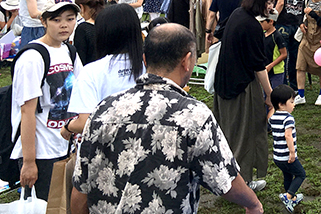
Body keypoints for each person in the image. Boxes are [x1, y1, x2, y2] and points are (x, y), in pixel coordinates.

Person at [71, 23, 263, 214]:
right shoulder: (193, 115)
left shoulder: (104, 108)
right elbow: (224, 178)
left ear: (144, 60)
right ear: (187, 61)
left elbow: (81, 188)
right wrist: (253, 204)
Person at [12, 0, 83, 201]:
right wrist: (29, 162)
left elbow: (79, 95)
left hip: (67, 147)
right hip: (42, 152)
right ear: (43, 22)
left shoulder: (69, 51)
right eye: (56, 19)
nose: (64, 25)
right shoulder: (33, 57)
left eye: (70, 19)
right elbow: (26, 111)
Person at [214, 0, 277, 190]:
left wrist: (271, 14)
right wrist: (269, 95)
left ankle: (230, 180)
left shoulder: (238, 14)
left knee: (228, 133)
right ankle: (241, 185)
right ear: (261, 0)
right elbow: (259, 65)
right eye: (269, 2)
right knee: (245, 134)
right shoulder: (251, 25)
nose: (271, 6)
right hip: (241, 86)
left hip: (225, 82)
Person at [66, 3, 145, 136]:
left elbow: (85, 122)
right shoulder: (149, 65)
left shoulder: (91, 71)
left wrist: (68, 127)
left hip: (105, 147)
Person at [270, 85, 306, 213]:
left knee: (287, 176)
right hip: (287, 156)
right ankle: (288, 196)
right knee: (301, 174)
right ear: (281, 104)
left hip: (277, 157)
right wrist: (292, 153)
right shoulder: (288, 118)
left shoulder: (273, 118)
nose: (294, 104)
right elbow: (288, 135)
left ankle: (292, 197)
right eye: (291, 102)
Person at [275, 0, 307, 91]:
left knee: (282, 54)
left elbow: (281, 3)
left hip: (283, 22)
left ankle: (282, 84)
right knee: (295, 56)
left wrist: (273, 17)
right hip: (298, 24)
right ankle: (294, 85)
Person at [295, 0, 321, 106]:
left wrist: (313, 14)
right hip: (306, 38)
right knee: (300, 66)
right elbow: (301, 17)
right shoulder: (306, 1)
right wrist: (301, 24)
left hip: (319, 40)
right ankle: (301, 94)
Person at [73, 0, 105, 64]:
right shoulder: (110, 22)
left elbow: (80, 60)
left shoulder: (84, 28)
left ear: (81, 7)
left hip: (91, 72)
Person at [261, 10, 287, 89]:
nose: (260, 24)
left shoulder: (277, 36)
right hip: (265, 69)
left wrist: (271, 65)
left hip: (276, 72)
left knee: (276, 93)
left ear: (271, 22)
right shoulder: (262, 34)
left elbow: (284, 54)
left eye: (262, 22)